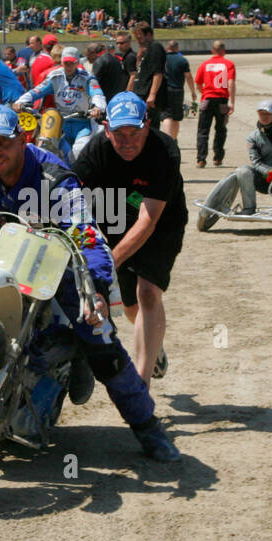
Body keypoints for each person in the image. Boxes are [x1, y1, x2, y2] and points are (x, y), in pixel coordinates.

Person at [0, 104, 180, 461]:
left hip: (59, 261)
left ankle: (147, 427)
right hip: (3, 260)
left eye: (3, 143)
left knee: (101, 340)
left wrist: (96, 292)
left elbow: (85, 233)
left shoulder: (54, 176)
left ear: (22, 140)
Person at [74, 93, 188, 386]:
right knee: (128, 306)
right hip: (116, 221)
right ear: (107, 128)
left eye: (134, 133)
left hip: (162, 223)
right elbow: (70, 197)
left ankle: (141, 384)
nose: (127, 142)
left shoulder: (165, 151)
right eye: (119, 134)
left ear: (147, 126)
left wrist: (107, 261)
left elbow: (148, 220)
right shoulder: (95, 150)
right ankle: (154, 343)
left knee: (148, 293)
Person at [15, 46, 106, 157]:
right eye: (65, 63)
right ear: (61, 61)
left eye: (71, 63)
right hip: (60, 123)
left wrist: (98, 107)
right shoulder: (55, 77)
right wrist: (21, 101)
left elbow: (97, 93)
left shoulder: (87, 78)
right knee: (47, 149)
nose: (68, 66)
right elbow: (37, 91)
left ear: (77, 62)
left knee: (79, 151)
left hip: (83, 122)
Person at [193, 39, 236, 167]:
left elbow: (198, 84)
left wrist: (205, 93)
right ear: (224, 51)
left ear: (212, 50)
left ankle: (201, 158)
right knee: (221, 129)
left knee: (203, 130)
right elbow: (231, 83)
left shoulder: (205, 64)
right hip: (222, 100)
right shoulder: (228, 64)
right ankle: (218, 157)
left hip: (207, 99)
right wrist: (232, 102)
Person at [160, 40, 196, 140]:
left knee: (166, 115)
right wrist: (193, 91)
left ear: (167, 48)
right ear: (177, 48)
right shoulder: (182, 60)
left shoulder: (162, 59)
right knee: (176, 116)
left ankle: (168, 139)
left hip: (164, 90)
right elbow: (188, 76)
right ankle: (173, 139)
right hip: (178, 90)